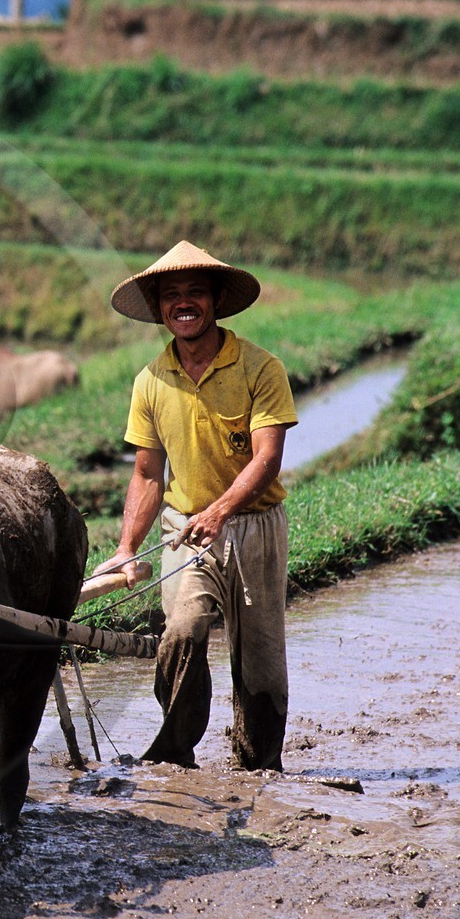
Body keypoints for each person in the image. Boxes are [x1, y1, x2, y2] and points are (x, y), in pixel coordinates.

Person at [93, 241, 298, 771]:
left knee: (262, 667)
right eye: (172, 296)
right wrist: (125, 548)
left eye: (194, 294)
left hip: (254, 527)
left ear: (214, 301)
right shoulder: (150, 381)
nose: (183, 304)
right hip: (186, 530)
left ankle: (259, 765)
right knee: (181, 633)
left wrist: (222, 510)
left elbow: (267, 458)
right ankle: (175, 753)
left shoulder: (260, 367)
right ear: (160, 308)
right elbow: (146, 473)